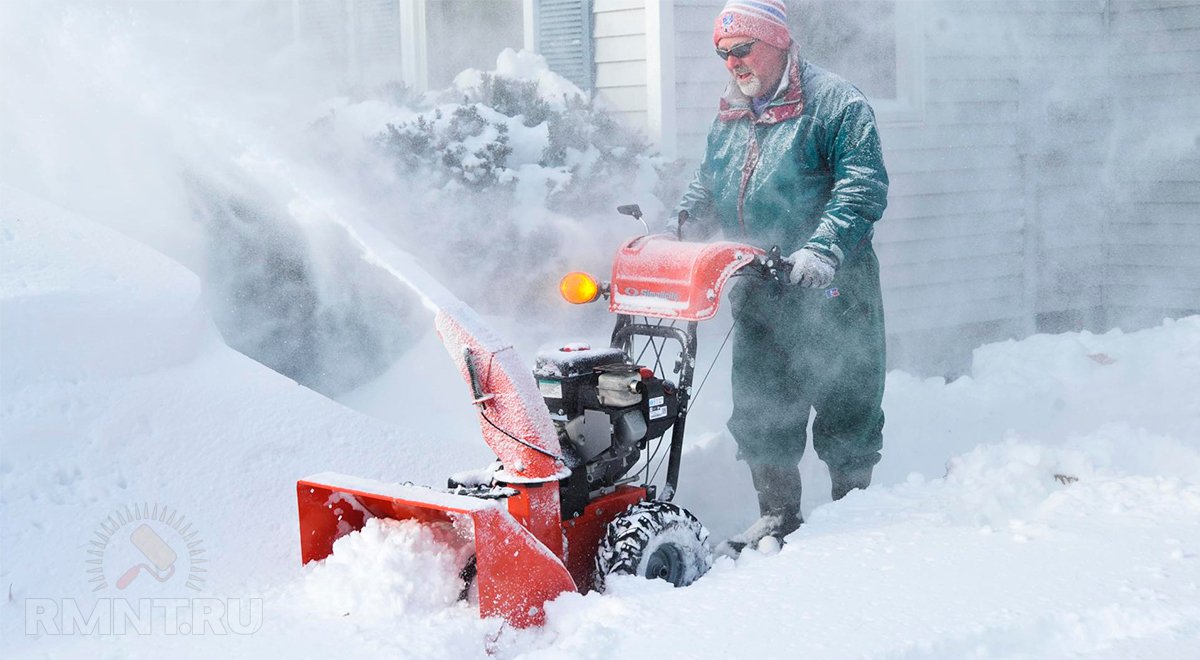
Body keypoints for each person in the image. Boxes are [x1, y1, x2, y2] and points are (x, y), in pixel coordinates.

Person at [672, 0, 889, 556]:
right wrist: (683, 224)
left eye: (741, 50)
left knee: (847, 404)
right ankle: (777, 515)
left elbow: (862, 186)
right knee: (762, 405)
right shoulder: (733, 111)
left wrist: (823, 248)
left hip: (832, 287)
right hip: (763, 288)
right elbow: (709, 182)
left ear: (775, 43)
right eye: (723, 54)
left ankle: (852, 515)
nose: (732, 63)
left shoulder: (836, 104)